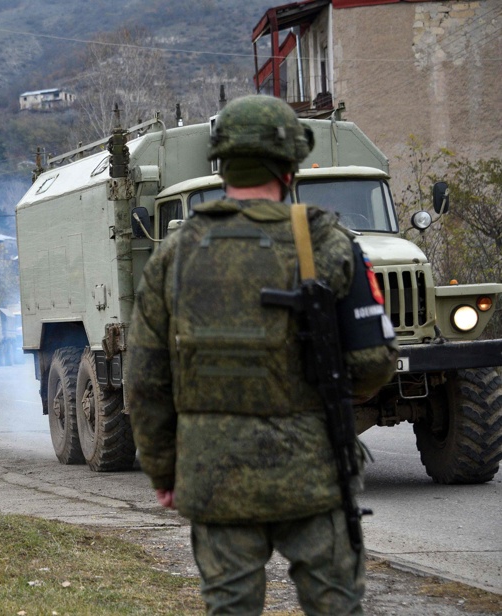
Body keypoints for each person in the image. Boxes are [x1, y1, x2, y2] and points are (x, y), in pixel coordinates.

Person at [126, 94, 398, 615]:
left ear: (220, 162)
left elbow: (145, 381)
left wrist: (164, 474)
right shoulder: (330, 243)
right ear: (291, 163)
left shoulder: (173, 255)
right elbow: (373, 363)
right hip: (314, 473)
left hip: (214, 476)